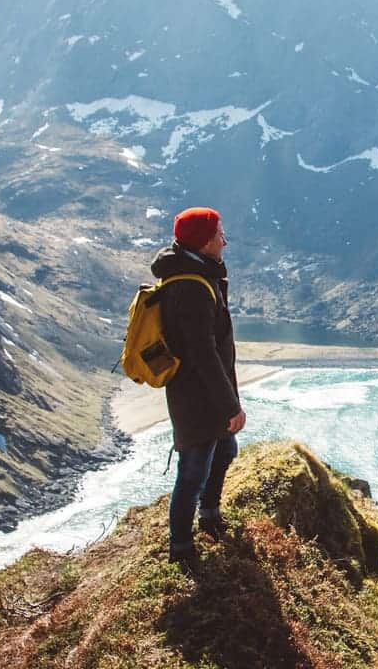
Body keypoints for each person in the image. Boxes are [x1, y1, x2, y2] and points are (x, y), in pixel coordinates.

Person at [150, 206, 245, 570]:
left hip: (205, 393)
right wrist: (230, 407)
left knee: (224, 453)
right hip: (196, 397)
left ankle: (209, 513)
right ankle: (181, 545)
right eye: (219, 234)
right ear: (205, 243)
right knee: (192, 470)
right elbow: (204, 356)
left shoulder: (196, 274)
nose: (224, 240)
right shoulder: (191, 288)